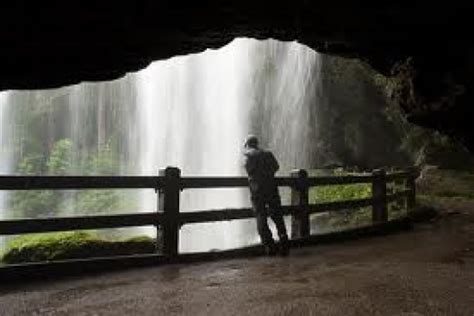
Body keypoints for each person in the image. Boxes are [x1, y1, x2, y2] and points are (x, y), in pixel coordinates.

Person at [243, 135, 289, 256]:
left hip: (257, 191)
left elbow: (248, 170)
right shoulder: (267, 154)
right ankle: (284, 241)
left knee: (261, 216)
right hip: (271, 188)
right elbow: (276, 167)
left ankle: (269, 245)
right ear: (257, 143)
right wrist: (268, 174)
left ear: (247, 144)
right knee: (277, 215)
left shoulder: (247, 156)